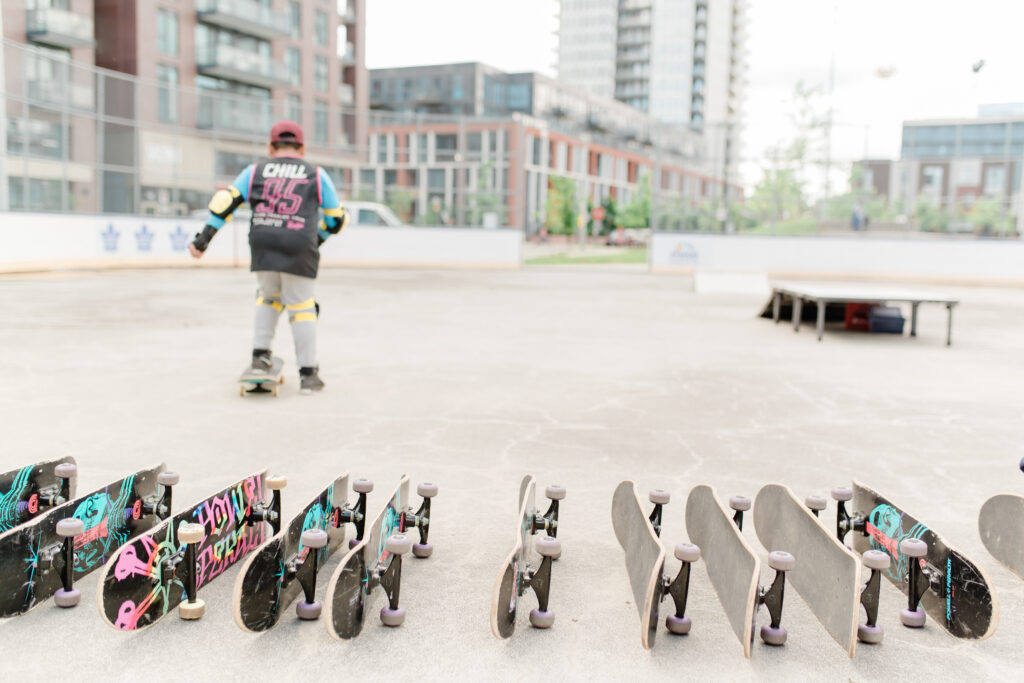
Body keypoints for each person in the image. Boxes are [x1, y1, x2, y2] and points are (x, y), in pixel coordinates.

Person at [188, 121, 348, 394]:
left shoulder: (255, 171)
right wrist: (316, 240)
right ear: (302, 147)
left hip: (263, 240)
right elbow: (336, 219)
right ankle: (308, 375)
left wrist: (202, 241)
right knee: (302, 308)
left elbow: (225, 204)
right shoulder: (316, 174)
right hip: (299, 242)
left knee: (268, 296)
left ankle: (260, 358)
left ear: (271, 146)